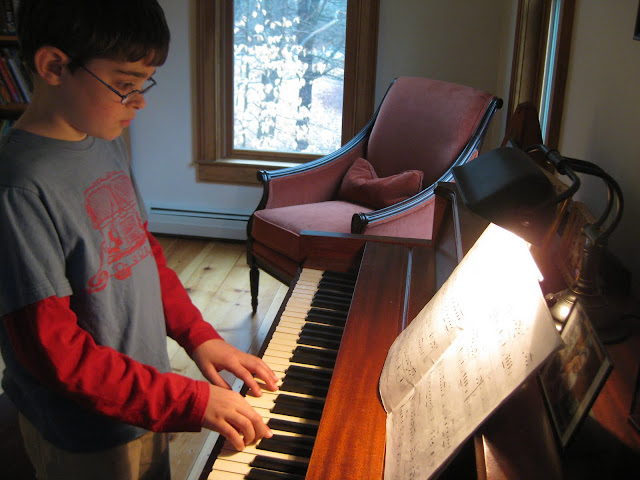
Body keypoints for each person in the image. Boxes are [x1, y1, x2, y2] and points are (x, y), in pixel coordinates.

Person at [0, 1, 279, 478]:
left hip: (142, 397)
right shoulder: (18, 187)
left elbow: (140, 251)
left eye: (144, 83)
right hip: (83, 431)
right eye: (125, 84)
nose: (140, 101)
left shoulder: (104, 139)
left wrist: (198, 336)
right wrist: (187, 399)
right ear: (54, 66)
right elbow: (56, 354)